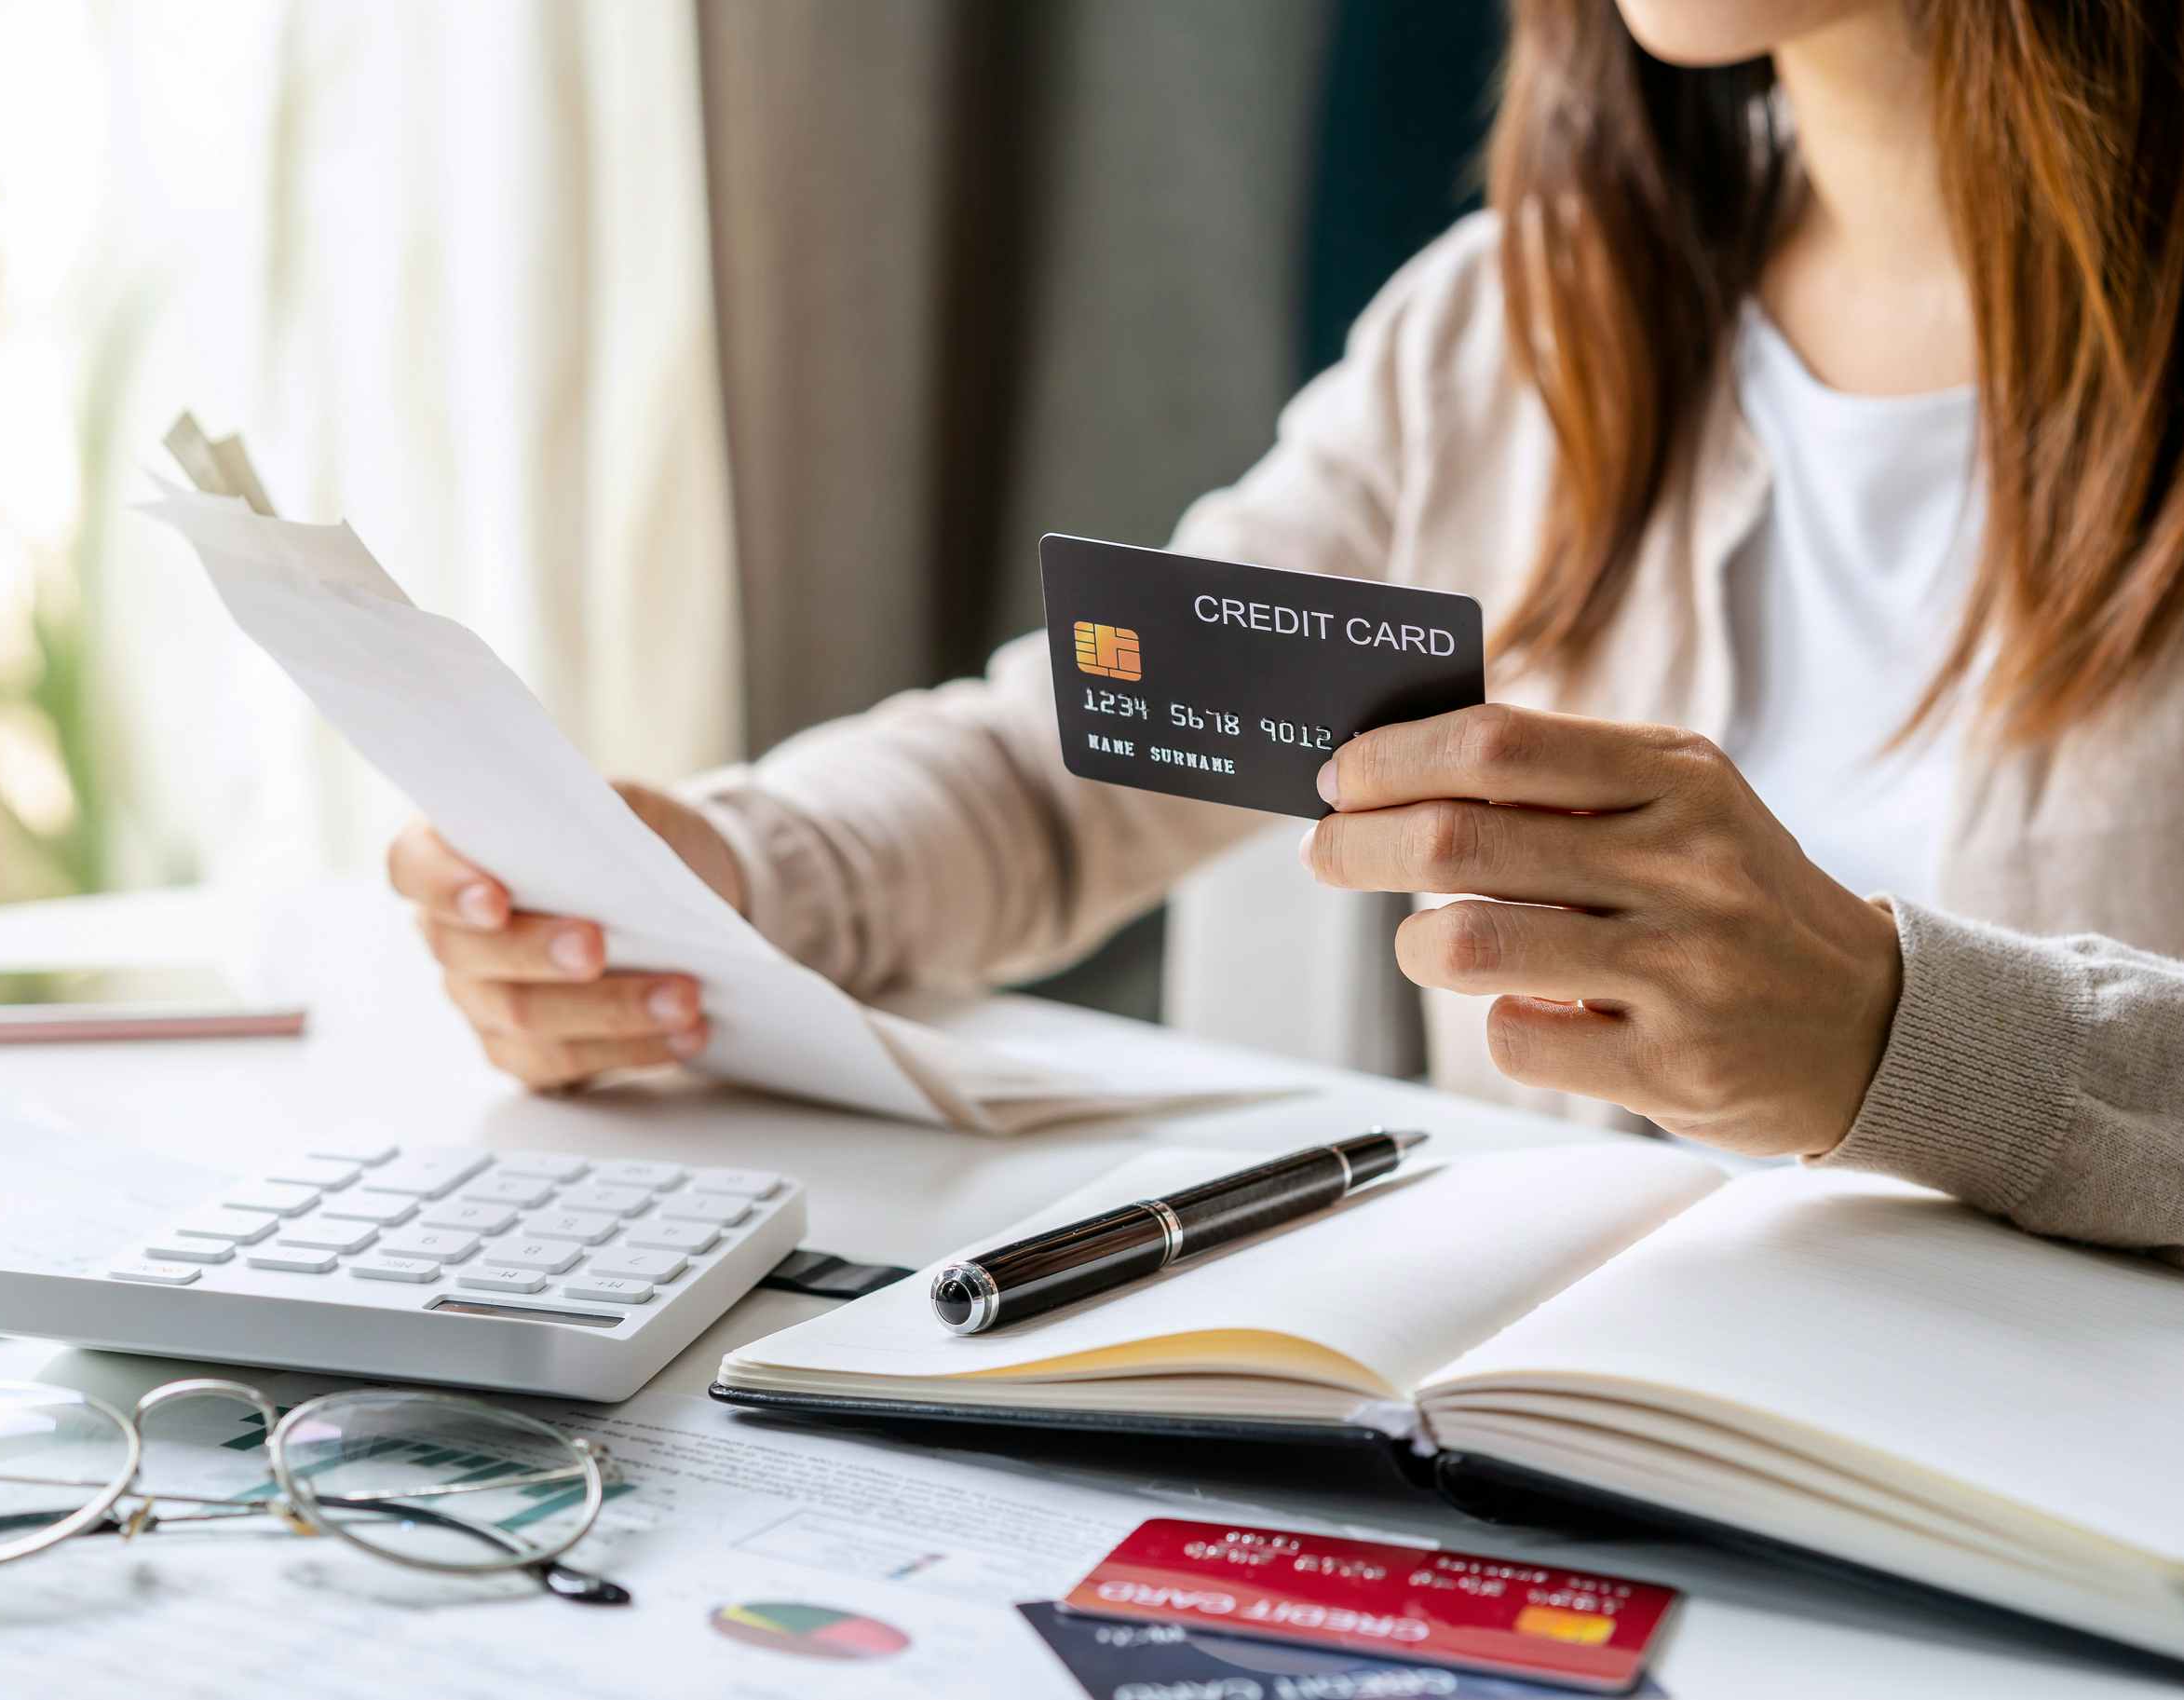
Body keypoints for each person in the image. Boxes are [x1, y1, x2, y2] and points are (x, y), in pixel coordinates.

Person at [388, 0, 2184, 1255]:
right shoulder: (1515, 329)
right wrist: (712, 875)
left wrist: (1900, 1036)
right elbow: (1074, 758)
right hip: (1591, 1474)